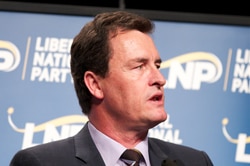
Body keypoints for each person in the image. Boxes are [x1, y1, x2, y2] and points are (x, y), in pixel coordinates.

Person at [10, 10, 213, 166]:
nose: (160, 79)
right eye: (139, 66)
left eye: (157, 66)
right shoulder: (42, 163)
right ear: (95, 84)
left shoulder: (194, 161)